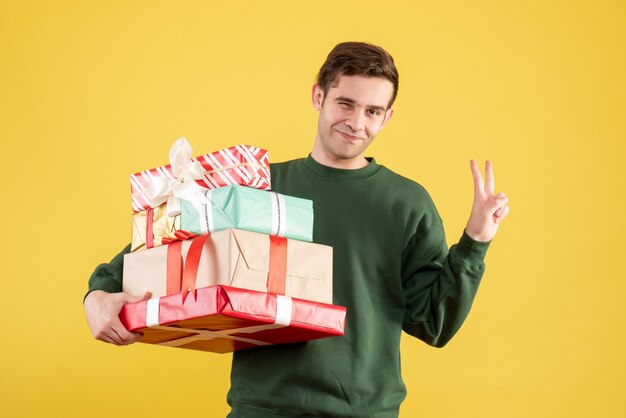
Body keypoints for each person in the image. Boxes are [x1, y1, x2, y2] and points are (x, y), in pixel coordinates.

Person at [84, 41, 509, 417]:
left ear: (388, 116)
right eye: (345, 103)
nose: (357, 122)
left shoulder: (407, 203)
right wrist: (97, 296)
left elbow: (432, 323)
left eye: (373, 111)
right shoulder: (256, 185)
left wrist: (474, 242)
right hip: (262, 408)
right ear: (318, 95)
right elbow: (154, 248)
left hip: (365, 412)